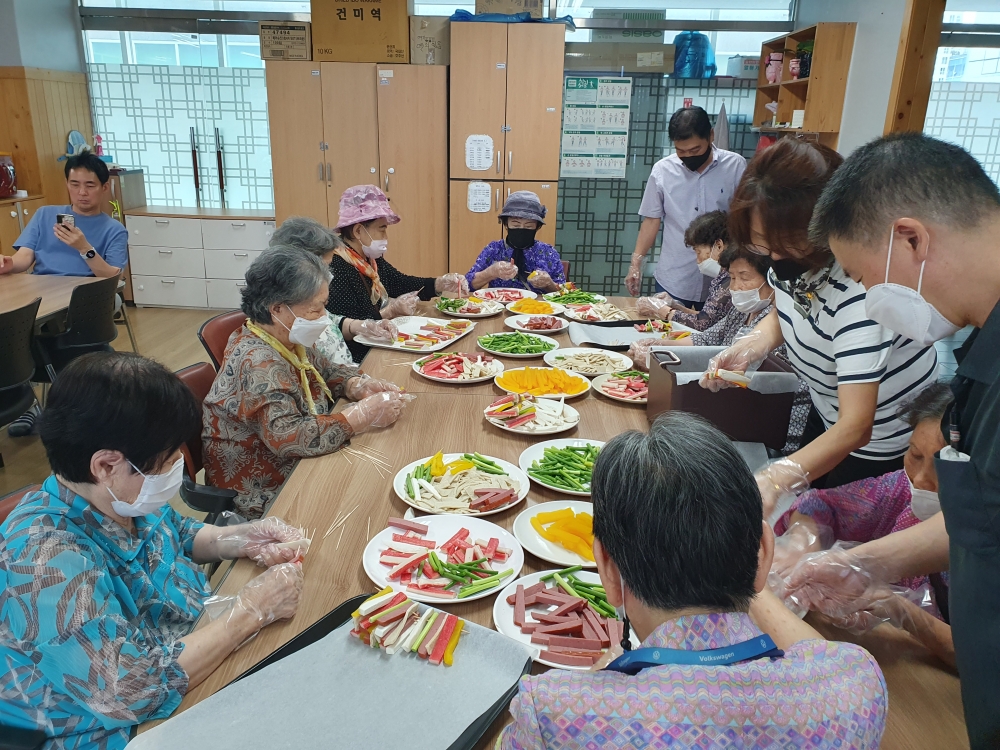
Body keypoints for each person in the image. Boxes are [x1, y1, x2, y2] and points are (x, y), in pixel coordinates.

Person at [499, 412, 887, 749]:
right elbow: (819, 656)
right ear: (764, 553)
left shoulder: (555, 713)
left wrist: (608, 687)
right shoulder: (854, 682)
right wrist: (748, 564)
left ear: (607, 570)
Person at [0, 351, 305, 750]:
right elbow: (131, 691)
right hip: (119, 725)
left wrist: (244, 538)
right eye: (166, 459)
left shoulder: (114, 497)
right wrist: (250, 613)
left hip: (187, 644)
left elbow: (177, 534)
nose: (179, 463)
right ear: (106, 465)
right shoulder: (45, 562)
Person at [808, 132, 1000, 749]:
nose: (867, 298)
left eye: (867, 278)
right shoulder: (981, 348)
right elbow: (985, 516)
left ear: (911, 238)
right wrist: (859, 564)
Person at [701, 138, 938, 515]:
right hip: (827, 409)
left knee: (833, 540)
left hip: (877, 442)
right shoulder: (790, 262)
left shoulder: (861, 293)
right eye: (763, 246)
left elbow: (857, 426)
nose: (773, 258)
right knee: (802, 515)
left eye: (782, 245)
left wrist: (776, 477)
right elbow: (788, 309)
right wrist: (752, 344)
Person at [202, 245, 408, 518]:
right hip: (266, 488)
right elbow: (288, 438)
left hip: (296, 464)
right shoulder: (258, 363)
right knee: (373, 497)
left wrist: (356, 385)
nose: (324, 318)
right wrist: (357, 418)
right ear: (277, 309)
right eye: (317, 309)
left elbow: (325, 369)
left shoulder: (281, 337)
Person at [631, 244, 810, 454]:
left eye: (744, 277)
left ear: (773, 281)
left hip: (763, 429)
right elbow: (707, 339)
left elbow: (749, 382)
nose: (736, 287)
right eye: (732, 278)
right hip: (728, 412)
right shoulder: (740, 311)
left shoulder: (782, 323)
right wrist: (658, 347)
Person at [0, 151, 129, 437]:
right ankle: (26, 399)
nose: (81, 192)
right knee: (13, 324)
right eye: (74, 184)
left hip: (88, 296)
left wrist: (84, 247)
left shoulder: (113, 229)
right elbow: (23, 259)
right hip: (41, 290)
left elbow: (112, 277)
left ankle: (71, 397)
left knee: (48, 329)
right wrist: (8, 263)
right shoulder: (45, 215)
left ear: (105, 187)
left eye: (90, 185)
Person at [329, 185, 468, 362]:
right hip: (359, 355)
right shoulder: (337, 267)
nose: (386, 235)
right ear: (358, 231)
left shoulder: (369, 259)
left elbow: (399, 282)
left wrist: (439, 283)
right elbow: (346, 326)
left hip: (380, 340)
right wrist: (389, 312)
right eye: (382, 228)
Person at [626, 106, 746, 305]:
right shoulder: (662, 171)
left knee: (711, 332)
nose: (689, 156)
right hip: (674, 277)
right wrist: (635, 264)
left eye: (695, 150)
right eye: (681, 151)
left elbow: (744, 221)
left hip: (723, 276)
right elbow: (651, 219)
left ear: (711, 136)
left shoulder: (736, 166)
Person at [269, 216, 396, 366]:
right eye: (323, 268)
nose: (328, 275)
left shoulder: (306, 304)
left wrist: (360, 326)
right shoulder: (285, 322)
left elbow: (331, 320)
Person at [635, 210, 734, 331]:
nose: (698, 261)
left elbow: (702, 324)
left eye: (699, 252)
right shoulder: (722, 278)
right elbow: (706, 317)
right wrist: (675, 306)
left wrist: (660, 309)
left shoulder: (731, 279)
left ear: (719, 245)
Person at [465, 191, 565, 293]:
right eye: (516, 225)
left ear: (537, 227)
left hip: (536, 308)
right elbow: (467, 285)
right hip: (499, 307)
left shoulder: (548, 252)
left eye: (528, 226)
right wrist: (490, 272)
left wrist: (549, 284)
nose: (521, 229)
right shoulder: (494, 249)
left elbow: (563, 294)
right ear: (506, 224)